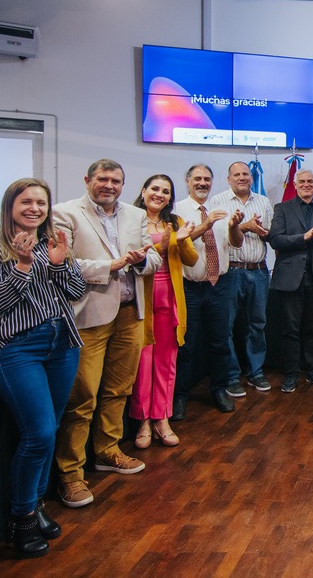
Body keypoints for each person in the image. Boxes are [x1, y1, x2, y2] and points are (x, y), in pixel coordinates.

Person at [0, 178, 86, 557]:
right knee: (37, 433)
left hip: (62, 345)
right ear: (11, 206)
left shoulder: (53, 242)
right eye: (26, 202)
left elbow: (75, 291)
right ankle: (20, 519)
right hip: (19, 349)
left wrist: (59, 264)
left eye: (41, 202)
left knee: (49, 431)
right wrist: (22, 266)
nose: (34, 208)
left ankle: (36, 506)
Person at [53, 159, 162, 508]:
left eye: (116, 181)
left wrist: (141, 260)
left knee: (118, 390)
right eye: (102, 179)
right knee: (82, 397)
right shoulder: (65, 213)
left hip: (130, 314)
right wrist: (112, 265)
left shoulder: (135, 214)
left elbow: (154, 260)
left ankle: (107, 451)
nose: (109, 185)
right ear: (87, 180)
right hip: (90, 316)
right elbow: (64, 263)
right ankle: (71, 474)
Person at [129, 174, 198, 449]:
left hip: (170, 295)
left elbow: (191, 259)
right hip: (141, 297)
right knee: (143, 361)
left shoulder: (175, 221)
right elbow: (136, 258)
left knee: (166, 361)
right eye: (155, 189)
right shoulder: (131, 220)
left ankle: (162, 417)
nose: (160, 194)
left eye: (166, 191)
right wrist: (166, 244)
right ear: (143, 191)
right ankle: (143, 420)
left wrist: (181, 240)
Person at [173, 164, 245, 416]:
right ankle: (179, 396)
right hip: (189, 287)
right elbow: (176, 244)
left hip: (220, 285)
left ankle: (219, 390)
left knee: (220, 342)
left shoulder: (221, 209)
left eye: (206, 179)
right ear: (187, 181)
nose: (202, 183)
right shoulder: (176, 211)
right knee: (186, 345)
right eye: (197, 179)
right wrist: (205, 225)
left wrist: (235, 226)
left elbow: (236, 243)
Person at [209, 162, 273, 399]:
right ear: (229, 179)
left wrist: (262, 230)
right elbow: (217, 235)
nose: (242, 178)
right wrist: (243, 227)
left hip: (259, 270)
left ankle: (256, 372)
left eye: (245, 174)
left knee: (257, 324)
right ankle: (232, 376)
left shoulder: (263, 201)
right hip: (231, 271)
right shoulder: (217, 201)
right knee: (226, 326)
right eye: (236, 174)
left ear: (251, 177)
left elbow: (271, 234)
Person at [269, 169, 313, 392]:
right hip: (290, 278)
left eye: (310, 182)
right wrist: (304, 237)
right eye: (302, 182)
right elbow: (275, 240)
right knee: (290, 329)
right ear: (295, 185)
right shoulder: (282, 208)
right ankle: (291, 373)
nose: (306, 185)